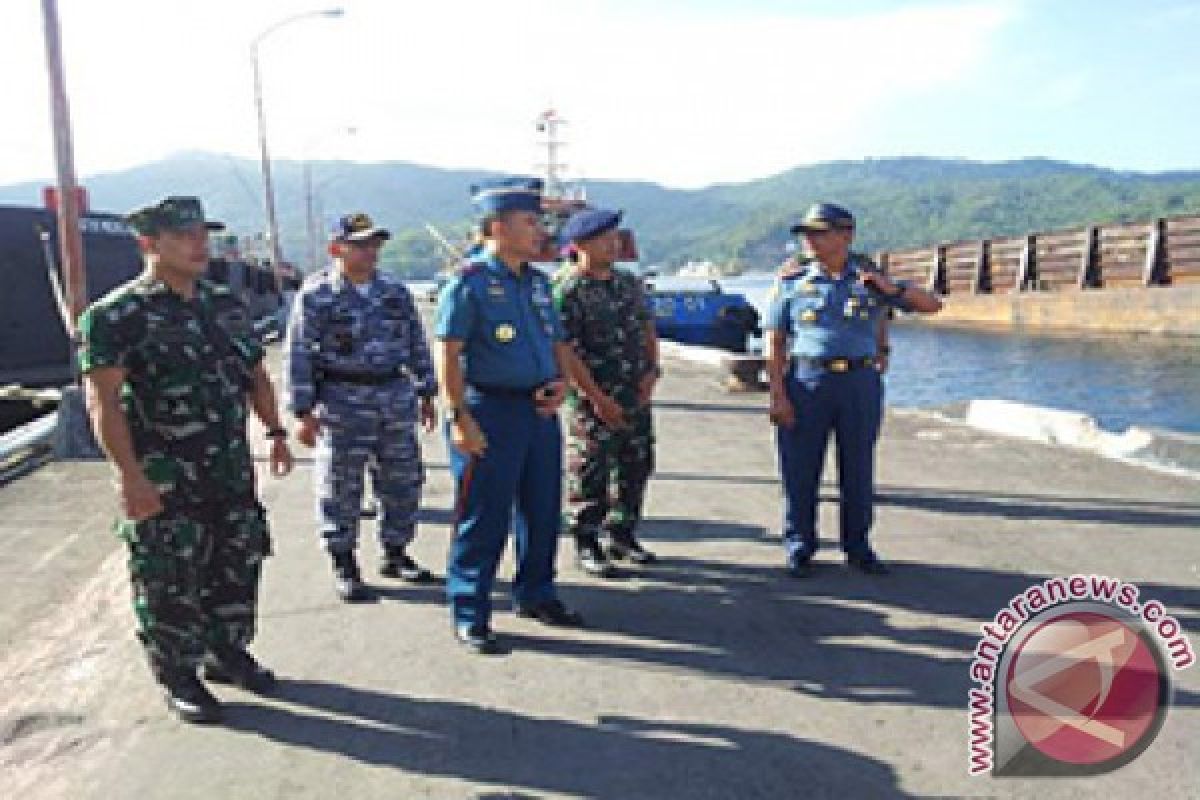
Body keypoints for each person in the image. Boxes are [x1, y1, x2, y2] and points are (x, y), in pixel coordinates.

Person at [78, 195, 293, 724]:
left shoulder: (223, 304)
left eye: (203, 233)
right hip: (165, 478)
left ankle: (227, 651)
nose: (201, 244)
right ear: (149, 244)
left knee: (237, 561)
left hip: (228, 470)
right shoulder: (116, 316)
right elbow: (102, 402)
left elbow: (254, 376)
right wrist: (130, 478)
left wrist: (276, 430)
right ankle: (177, 672)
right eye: (184, 235)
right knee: (169, 576)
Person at [435, 176, 585, 654]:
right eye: (529, 221)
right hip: (489, 410)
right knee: (484, 517)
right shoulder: (469, 283)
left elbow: (557, 342)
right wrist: (460, 418)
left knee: (542, 512)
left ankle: (536, 592)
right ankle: (470, 611)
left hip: (538, 412)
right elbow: (449, 355)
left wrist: (562, 385)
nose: (539, 229)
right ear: (497, 227)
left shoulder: (538, 284)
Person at [765, 203, 941, 577]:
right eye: (806, 234)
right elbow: (775, 342)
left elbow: (932, 305)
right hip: (807, 382)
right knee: (800, 469)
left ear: (846, 236)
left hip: (859, 384)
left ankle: (858, 547)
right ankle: (800, 546)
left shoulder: (870, 280)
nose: (809, 240)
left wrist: (891, 289)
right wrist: (777, 395)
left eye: (819, 233)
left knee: (858, 469)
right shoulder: (792, 282)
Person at [285, 213, 438, 602]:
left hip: (393, 396)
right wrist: (302, 411)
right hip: (342, 400)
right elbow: (299, 353)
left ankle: (396, 551)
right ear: (337, 249)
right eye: (361, 245)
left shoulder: (394, 292)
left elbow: (416, 342)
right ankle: (344, 562)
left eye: (375, 245)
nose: (371, 252)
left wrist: (426, 391)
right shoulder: (317, 295)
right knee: (340, 486)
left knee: (402, 481)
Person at [553, 207, 660, 578]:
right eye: (604, 240)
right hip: (592, 399)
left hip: (634, 392)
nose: (613, 245)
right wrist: (597, 399)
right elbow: (566, 350)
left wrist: (651, 373)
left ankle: (623, 534)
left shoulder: (628, 283)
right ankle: (587, 540)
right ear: (580, 245)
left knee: (637, 464)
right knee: (590, 471)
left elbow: (647, 329)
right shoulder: (568, 289)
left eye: (616, 238)